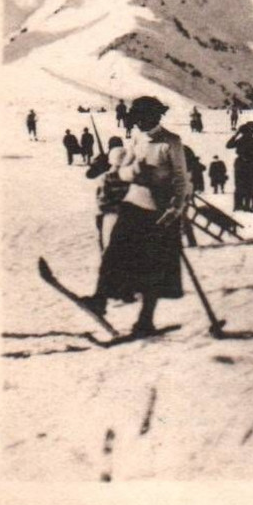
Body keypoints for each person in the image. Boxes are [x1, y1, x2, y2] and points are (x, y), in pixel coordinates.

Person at [85, 95, 190, 338]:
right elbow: (124, 171)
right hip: (133, 206)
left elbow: (181, 180)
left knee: (153, 269)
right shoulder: (136, 138)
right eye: (137, 119)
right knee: (114, 253)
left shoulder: (171, 142)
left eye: (143, 119)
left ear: (155, 117)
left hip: (160, 212)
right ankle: (99, 300)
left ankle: (145, 320)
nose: (139, 123)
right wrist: (132, 173)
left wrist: (175, 209)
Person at [227, 121, 253, 211]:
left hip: (244, 164)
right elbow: (228, 145)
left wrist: (236, 135)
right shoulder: (252, 140)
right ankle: (245, 206)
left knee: (246, 185)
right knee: (247, 185)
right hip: (246, 165)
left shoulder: (244, 140)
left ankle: (243, 205)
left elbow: (229, 145)